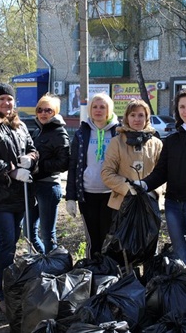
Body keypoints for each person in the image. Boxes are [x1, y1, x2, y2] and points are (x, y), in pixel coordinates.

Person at [0, 83, 39, 313]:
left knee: (12, 241)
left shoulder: (19, 124)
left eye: (10, 99)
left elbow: (32, 147)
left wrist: (31, 159)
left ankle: (10, 284)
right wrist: (11, 170)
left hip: (20, 195)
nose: (6, 103)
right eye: (2, 99)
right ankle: (2, 290)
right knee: (7, 241)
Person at [135, 88, 186, 270]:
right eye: (182, 107)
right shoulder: (171, 140)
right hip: (173, 205)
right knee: (180, 253)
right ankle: (185, 290)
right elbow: (161, 172)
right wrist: (144, 184)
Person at [65, 93, 120, 258]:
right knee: (93, 238)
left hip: (111, 194)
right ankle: (93, 269)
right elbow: (74, 164)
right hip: (87, 193)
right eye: (95, 107)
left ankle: (108, 273)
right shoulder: (82, 133)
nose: (98, 110)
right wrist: (70, 197)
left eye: (102, 107)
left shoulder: (118, 132)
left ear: (108, 110)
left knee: (108, 237)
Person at [101, 97, 163, 213]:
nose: (137, 119)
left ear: (147, 118)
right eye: (133, 115)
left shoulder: (156, 144)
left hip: (149, 203)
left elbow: (163, 173)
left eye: (141, 115)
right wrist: (129, 189)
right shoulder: (117, 142)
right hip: (122, 204)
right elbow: (107, 173)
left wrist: (151, 190)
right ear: (126, 118)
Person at [27, 94, 70, 254]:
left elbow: (64, 163)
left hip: (49, 187)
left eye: (48, 110)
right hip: (34, 186)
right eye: (40, 110)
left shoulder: (59, 133)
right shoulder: (38, 131)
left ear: (55, 112)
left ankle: (52, 268)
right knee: (29, 232)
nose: (43, 113)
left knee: (47, 234)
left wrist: (39, 166)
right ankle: (42, 262)